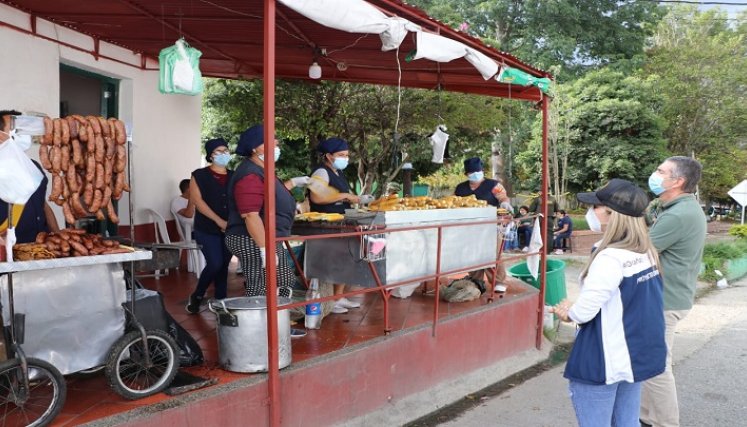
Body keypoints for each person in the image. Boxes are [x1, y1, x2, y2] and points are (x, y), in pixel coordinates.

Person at [552, 179, 666, 427]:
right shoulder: (646, 251)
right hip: (635, 355)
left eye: (595, 206)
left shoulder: (610, 258)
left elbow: (583, 312)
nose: (590, 212)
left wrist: (567, 311)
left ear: (612, 214)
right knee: (627, 422)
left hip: (605, 358)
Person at [640, 156, 707, 427]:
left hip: (664, 300)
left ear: (677, 181)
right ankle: (645, 416)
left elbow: (642, 248)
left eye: (660, 171)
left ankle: (666, 423)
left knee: (656, 366)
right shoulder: (676, 208)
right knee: (649, 361)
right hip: (668, 296)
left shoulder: (679, 215)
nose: (654, 175)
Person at [224, 124, 310, 299]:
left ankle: (277, 318)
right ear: (255, 148)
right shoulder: (250, 174)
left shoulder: (263, 170)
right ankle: (259, 323)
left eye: (276, 144)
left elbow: (271, 196)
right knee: (260, 285)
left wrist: (293, 182)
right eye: (271, 143)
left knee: (283, 280)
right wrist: (265, 250)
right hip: (251, 238)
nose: (276, 146)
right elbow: (250, 215)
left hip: (266, 237)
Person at [309, 137, 362, 314]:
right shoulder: (321, 172)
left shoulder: (338, 173)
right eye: (341, 155)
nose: (345, 159)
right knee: (332, 262)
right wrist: (343, 196)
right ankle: (329, 300)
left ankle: (338, 297)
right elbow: (316, 197)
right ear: (329, 156)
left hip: (341, 221)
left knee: (346, 259)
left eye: (347, 155)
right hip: (326, 223)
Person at [185, 138, 234, 314]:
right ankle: (198, 295)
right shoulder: (199, 175)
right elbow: (197, 201)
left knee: (223, 266)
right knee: (215, 263)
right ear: (210, 155)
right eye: (218, 151)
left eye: (226, 150)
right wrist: (218, 221)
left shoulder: (234, 176)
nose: (223, 154)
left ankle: (221, 302)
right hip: (206, 228)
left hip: (229, 228)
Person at [0, 110, 59, 244]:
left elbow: (42, 203)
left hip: (41, 248)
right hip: (10, 250)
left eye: (24, 129)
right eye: (16, 129)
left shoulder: (33, 166)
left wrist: (57, 234)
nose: (23, 135)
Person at [455, 157, 511, 290]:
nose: (475, 174)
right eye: (472, 172)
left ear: (482, 171)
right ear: (466, 174)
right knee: (472, 253)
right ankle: (475, 280)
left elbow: (503, 197)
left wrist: (505, 203)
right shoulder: (460, 188)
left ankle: (499, 282)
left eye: (478, 171)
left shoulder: (493, 185)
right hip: (468, 228)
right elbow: (454, 202)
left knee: (493, 253)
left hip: (491, 226)